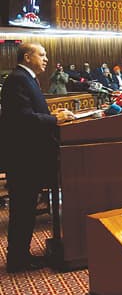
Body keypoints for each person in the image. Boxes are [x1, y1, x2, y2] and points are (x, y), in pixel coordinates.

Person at [0, 43, 74, 273]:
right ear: (27, 56)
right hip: (23, 159)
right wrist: (55, 119)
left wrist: (52, 117)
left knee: (26, 209)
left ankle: (21, 256)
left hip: (28, 157)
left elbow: (30, 113)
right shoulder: (17, 79)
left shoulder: (27, 78)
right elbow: (22, 118)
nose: (46, 59)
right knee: (22, 209)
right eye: (41, 54)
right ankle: (18, 260)